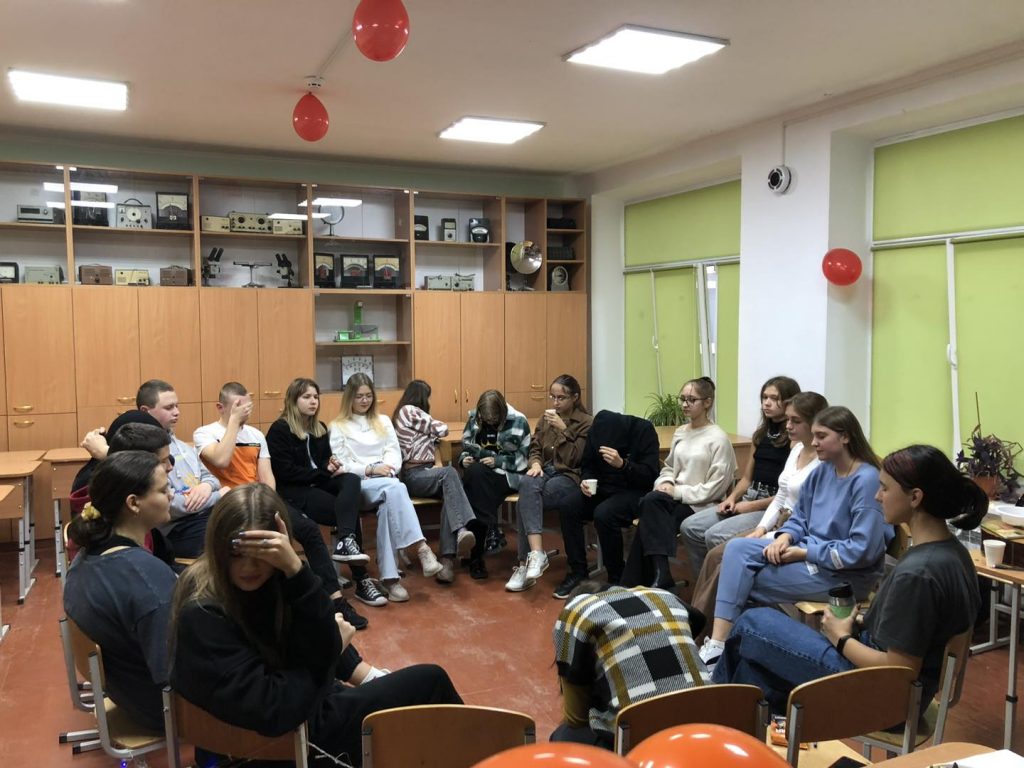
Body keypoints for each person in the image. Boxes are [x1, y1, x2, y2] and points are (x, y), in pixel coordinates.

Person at [169, 484, 463, 767]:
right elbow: (276, 708)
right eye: (237, 553)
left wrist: (296, 570)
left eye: (261, 553)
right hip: (282, 737)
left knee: (422, 698)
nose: (249, 566)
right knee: (431, 684)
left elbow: (317, 638)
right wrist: (331, 653)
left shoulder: (275, 579)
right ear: (219, 547)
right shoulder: (202, 610)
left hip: (296, 709)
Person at [712, 444, 984, 717]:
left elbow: (900, 670)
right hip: (896, 687)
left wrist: (840, 637)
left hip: (882, 696)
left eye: (884, 489)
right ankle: (724, 717)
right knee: (751, 671)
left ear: (915, 497)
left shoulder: (918, 573)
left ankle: (708, 709)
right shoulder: (955, 554)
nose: (877, 496)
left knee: (751, 624)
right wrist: (858, 623)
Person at [699, 405, 891, 669]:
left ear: (845, 437)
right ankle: (721, 647)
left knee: (736, 578)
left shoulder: (866, 480)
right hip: (810, 558)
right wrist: (785, 537)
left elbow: (861, 551)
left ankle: (729, 650)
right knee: (736, 549)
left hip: (844, 576)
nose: (814, 442)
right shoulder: (823, 470)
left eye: (821, 436)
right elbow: (800, 516)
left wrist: (805, 552)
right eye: (814, 435)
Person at [194, 381, 367, 628]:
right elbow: (221, 460)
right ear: (220, 407)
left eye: (247, 405)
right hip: (229, 506)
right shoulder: (205, 433)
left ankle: (336, 602)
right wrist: (233, 422)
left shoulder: (256, 435)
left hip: (262, 501)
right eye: (237, 406)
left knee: (310, 530)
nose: (244, 411)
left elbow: (268, 478)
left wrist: (268, 503)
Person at [63, 451, 176, 734]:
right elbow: (172, 674)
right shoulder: (147, 577)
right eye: (163, 490)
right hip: (162, 708)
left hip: (127, 694)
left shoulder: (86, 556)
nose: (172, 495)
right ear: (133, 503)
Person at [690, 392, 828, 623]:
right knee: (715, 556)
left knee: (726, 561)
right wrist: (761, 529)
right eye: (788, 420)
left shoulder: (824, 461)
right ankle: (697, 619)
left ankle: (706, 626)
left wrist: (776, 533)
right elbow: (781, 495)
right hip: (778, 525)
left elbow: (809, 517)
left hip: (792, 532)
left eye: (795, 421)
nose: (788, 426)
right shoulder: (796, 450)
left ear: (815, 422)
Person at [551, 579, 710, 750]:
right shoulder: (662, 595)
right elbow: (699, 620)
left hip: (643, 741)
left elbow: (576, 719)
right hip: (708, 724)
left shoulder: (574, 614)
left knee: (563, 736)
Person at [329, 373, 443, 603]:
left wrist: (387, 470)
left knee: (390, 500)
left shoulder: (383, 421)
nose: (364, 400)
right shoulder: (338, 426)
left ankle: (391, 580)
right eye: (359, 396)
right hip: (358, 487)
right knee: (396, 488)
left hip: (387, 482)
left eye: (368, 395)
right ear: (349, 398)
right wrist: (371, 469)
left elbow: (394, 453)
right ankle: (421, 548)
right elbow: (342, 465)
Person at [621, 377, 737, 590]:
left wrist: (677, 492)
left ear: (707, 402)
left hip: (700, 504)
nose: (685, 404)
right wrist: (665, 483)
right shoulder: (681, 432)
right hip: (672, 497)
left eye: (691, 400)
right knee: (652, 505)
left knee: (649, 515)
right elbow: (669, 467)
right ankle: (660, 576)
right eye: (682, 399)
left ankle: (635, 583)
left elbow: (717, 487)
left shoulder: (718, 439)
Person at [267, 378, 373, 608]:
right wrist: (322, 473)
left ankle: (346, 540)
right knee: (347, 510)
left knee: (351, 480)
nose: (313, 401)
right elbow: (285, 472)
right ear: (293, 400)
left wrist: (330, 464)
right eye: (306, 397)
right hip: (295, 491)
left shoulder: (319, 428)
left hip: (319, 482)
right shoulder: (280, 429)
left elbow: (323, 460)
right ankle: (361, 579)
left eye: (315, 397)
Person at [680, 376, 799, 577]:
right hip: (750, 497)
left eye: (774, 398)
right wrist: (732, 498)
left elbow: (785, 495)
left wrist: (750, 506)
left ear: (788, 402)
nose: (766, 403)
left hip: (771, 506)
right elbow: (746, 478)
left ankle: (722, 584)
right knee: (690, 527)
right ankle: (706, 581)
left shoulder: (795, 441)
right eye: (764, 397)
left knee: (714, 535)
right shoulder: (760, 435)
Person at [557, 410, 660, 594]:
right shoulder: (597, 430)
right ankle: (578, 572)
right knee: (568, 506)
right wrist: (585, 481)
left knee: (604, 514)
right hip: (604, 486)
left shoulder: (643, 431)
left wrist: (623, 464)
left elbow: (650, 476)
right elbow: (588, 464)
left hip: (635, 490)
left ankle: (616, 576)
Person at [506, 374, 592, 593]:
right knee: (528, 481)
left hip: (569, 475)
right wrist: (535, 463)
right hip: (545, 471)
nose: (555, 402)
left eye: (561, 398)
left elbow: (577, 457)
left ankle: (525, 564)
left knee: (525, 501)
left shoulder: (586, 422)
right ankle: (536, 554)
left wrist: (564, 429)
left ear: (575, 397)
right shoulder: (546, 419)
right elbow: (535, 447)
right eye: (552, 397)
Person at [393, 379, 483, 584]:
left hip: (426, 473)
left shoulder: (416, 422)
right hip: (413, 475)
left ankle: (447, 564)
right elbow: (442, 429)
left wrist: (431, 438)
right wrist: (433, 429)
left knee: (450, 496)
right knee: (450, 473)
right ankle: (461, 530)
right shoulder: (408, 410)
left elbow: (434, 439)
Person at [458, 389, 531, 580]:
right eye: (486, 419)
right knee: (475, 476)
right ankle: (490, 529)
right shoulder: (474, 418)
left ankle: (475, 555)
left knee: (475, 487)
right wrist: (464, 459)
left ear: (502, 411)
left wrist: (497, 461)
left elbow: (522, 461)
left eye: (494, 419)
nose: (490, 422)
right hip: (480, 474)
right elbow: (466, 446)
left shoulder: (519, 421)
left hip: (508, 475)